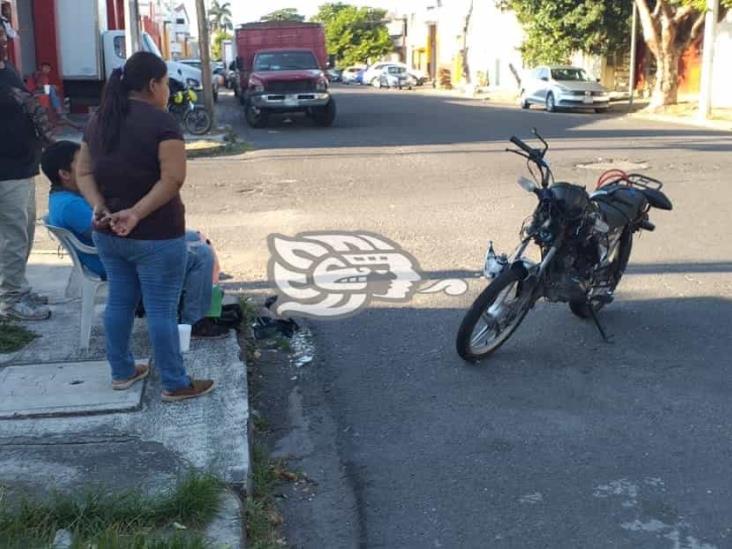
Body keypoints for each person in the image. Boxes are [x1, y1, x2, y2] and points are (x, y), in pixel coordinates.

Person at [75, 51, 214, 402]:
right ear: (153, 84)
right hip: (156, 234)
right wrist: (136, 213)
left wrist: (99, 206)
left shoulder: (99, 120)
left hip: (107, 232)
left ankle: (122, 372)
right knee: (161, 310)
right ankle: (175, 383)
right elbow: (173, 179)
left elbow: (83, 172)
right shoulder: (161, 122)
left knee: (119, 302)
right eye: (166, 83)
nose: (167, 90)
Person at [42, 140, 228, 338]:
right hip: (114, 260)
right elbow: (116, 231)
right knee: (200, 255)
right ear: (65, 174)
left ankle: (189, 302)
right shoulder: (70, 206)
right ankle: (195, 322)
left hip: (113, 251)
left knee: (193, 236)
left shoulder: (66, 198)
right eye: (82, 164)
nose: (90, 168)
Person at [0, 19, 53, 321]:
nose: (3, 43)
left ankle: (19, 287)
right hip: (5, 171)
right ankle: (11, 301)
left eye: (3, 37)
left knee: (25, 232)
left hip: (23, 166)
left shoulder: (7, 70)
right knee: (13, 237)